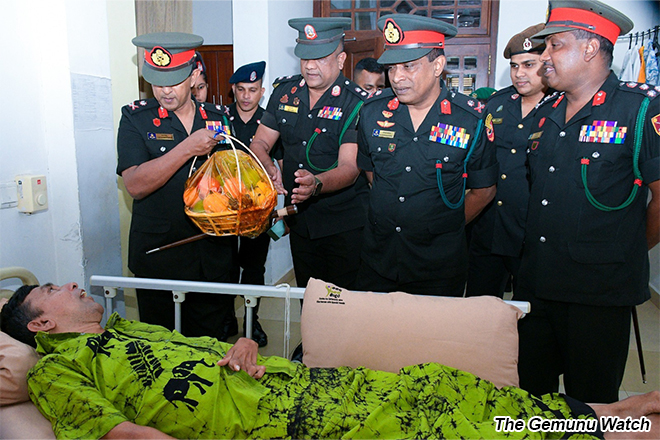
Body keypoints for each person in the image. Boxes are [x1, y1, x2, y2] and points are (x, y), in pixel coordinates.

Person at [2, 282, 659, 440]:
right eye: (54, 288)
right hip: (275, 424)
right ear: (41, 323)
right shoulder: (58, 372)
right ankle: (611, 426)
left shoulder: (127, 331)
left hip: (299, 386)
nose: (74, 285)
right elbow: (122, 433)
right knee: (435, 424)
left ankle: (598, 411)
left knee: (439, 385)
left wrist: (244, 344)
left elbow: (221, 352)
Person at [514, 0, 660, 404]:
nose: (545, 56)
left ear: (591, 48)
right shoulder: (547, 112)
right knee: (531, 396)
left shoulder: (640, 108)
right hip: (538, 284)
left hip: (599, 291)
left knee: (592, 402)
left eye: (555, 45)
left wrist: (626, 249)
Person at [355, 14, 497, 296]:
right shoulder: (371, 111)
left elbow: (484, 190)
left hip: (438, 267)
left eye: (408, 66)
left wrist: (442, 227)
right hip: (378, 261)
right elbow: (372, 172)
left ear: (438, 66)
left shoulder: (470, 119)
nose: (397, 77)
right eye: (391, 68)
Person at [116, 32, 239, 341]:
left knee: (209, 348)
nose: (165, 90)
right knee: (160, 347)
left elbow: (231, 178)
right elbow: (135, 184)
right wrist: (186, 148)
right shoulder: (135, 118)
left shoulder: (218, 117)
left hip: (211, 256)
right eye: (157, 82)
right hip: (160, 258)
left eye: (173, 81)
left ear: (194, 75)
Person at [249, 18, 369, 291]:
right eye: (305, 58)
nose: (310, 66)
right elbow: (260, 142)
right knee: (308, 295)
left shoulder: (357, 102)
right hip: (300, 220)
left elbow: (349, 168)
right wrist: (267, 164)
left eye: (320, 59)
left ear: (340, 60)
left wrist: (316, 183)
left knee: (342, 300)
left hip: (343, 224)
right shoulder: (284, 93)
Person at [466, 23, 550, 298]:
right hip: (490, 228)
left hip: (533, 232)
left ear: (547, 63)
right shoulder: (497, 104)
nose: (519, 73)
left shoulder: (561, 107)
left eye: (529, 65)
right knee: (480, 306)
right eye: (514, 66)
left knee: (532, 310)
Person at [224, 61, 280, 347]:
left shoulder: (270, 121)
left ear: (262, 91)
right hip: (223, 208)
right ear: (234, 90)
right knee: (225, 265)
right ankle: (225, 317)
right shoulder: (219, 118)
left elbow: (280, 162)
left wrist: (282, 204)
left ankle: (251, 320)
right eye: (242, 89)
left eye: (253, 90)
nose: (247, 96)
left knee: (254, 267)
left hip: (259, 208)